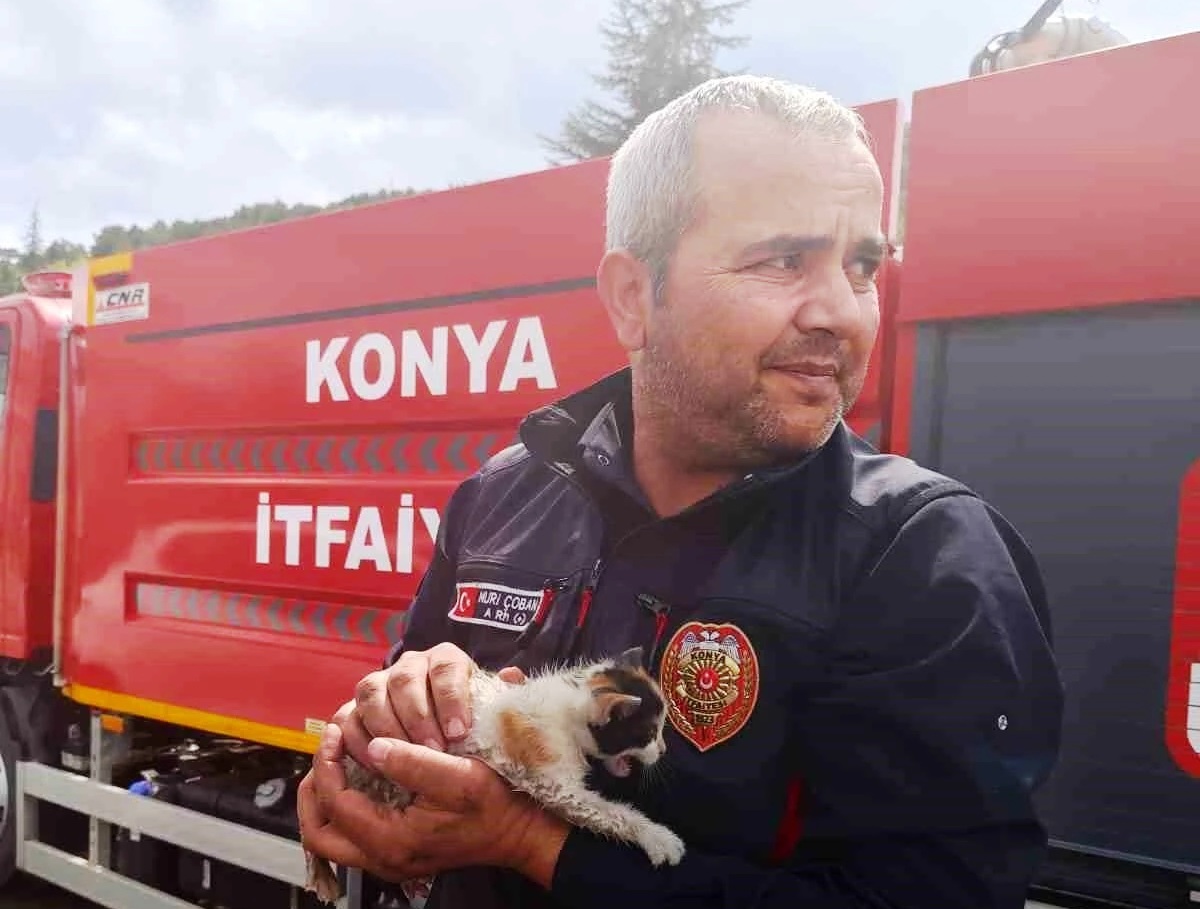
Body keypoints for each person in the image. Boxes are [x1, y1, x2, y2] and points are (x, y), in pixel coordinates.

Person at [297, 74, 1064, 909]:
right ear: (634, 297)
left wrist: (532, 844)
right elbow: (402, 711)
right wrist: (372, 742)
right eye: (784, 259)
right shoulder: (503, 497)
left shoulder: (924, 559)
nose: (842, 313)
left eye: (862, 266)